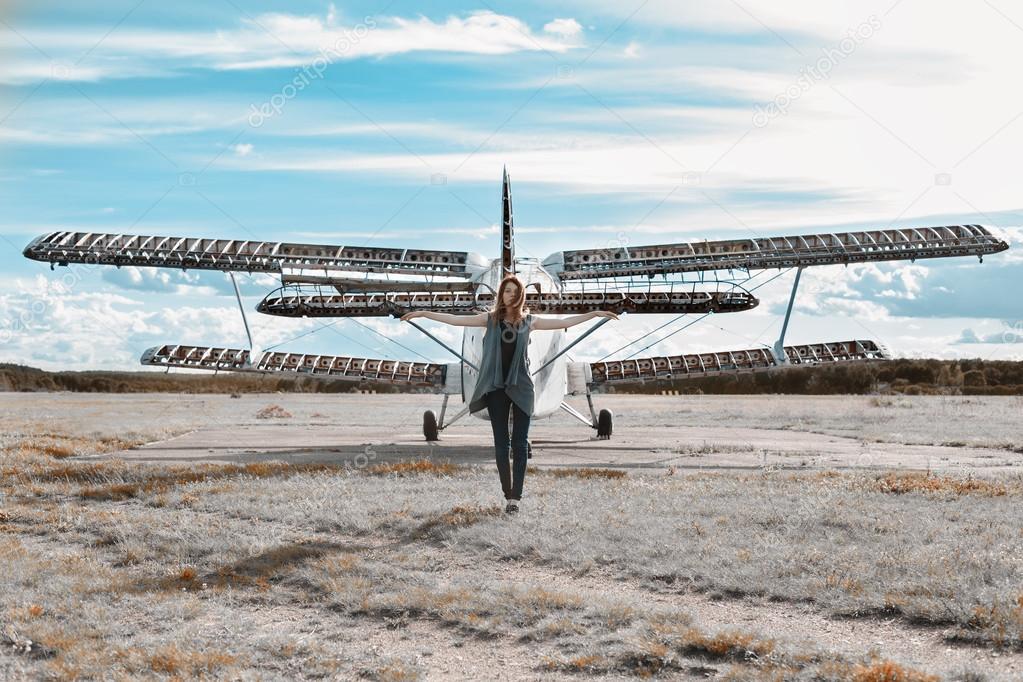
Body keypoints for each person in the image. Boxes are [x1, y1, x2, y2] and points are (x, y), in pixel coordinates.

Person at [400, 275, 619, 514]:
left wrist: (594, 314)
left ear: (521, 295)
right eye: (507, 291)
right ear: (501, 294)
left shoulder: (530, 321)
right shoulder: (490, 320)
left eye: (515, 292)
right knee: (502, 445)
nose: (511, 295)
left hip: (522, 388)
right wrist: (423, 314)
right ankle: (508, 495)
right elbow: (454, 320)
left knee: (520, 444)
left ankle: (517, 498)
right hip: (496, 389)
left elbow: (565, 322)